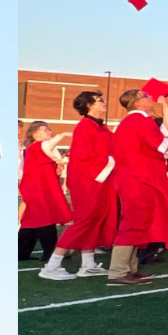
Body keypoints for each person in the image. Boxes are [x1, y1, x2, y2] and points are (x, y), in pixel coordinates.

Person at [106, 88, 168, 285]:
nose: (150, 98)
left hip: (132, 178)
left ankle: (129, 268)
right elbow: (160, 145)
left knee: (138, 223)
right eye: (145, 97)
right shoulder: (142, 121)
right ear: (137, 103)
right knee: (133, 224)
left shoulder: (127, 123)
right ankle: (118, 271)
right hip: (141, 179)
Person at [40, 91, 115, 280]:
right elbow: (84, 157)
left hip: (101, 179)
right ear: (89, 104)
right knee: (84, 221)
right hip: (88, 180)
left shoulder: (101, 126)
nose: (104, 103)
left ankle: (88, 264)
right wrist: (112, 161)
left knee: (95, 219)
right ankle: (52, 265)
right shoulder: (84, 127)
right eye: (100, 101)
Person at [18, 121, 73, 263]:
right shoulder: (36, 147)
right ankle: (50, 253)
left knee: (31, 222)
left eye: (49, 129)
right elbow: (48, 147)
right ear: (35, 134)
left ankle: (21, 252)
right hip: (38, 189)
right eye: (44, 130)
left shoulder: (38, 149)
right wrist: (63, 135)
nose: (49, 131)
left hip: (43, 187)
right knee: (45, 218)